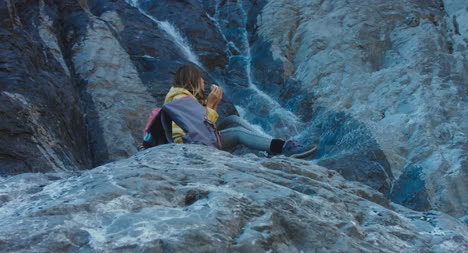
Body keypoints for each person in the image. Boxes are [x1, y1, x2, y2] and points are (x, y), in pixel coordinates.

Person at [163, 63, 317, 158]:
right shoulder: (179, 98)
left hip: (197, 138)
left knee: (232, 120)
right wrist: (209, 104)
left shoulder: (182, 96)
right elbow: (200, 130)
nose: (203, 81)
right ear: (193, 80)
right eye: (200, 78)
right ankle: (283, 148)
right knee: (237, 132)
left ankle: (274, 147)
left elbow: (207, 126)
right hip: (191, 145)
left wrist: (214, 103)